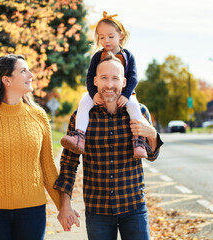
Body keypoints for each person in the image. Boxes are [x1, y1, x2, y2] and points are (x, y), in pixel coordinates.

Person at [54, 52, 163, 240]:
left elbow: (152, 155)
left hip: (134, 208)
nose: (110, 84)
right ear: (95, 81)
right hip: (98, 211)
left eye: (115, 78)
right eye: (104, 78)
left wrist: (152, 133)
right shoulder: (81, 117)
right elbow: (68, 163)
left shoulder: (139, 112)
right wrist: (65, 205)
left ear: (124, 82)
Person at [0, 54, 62, 240]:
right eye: (23, 71)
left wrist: (63, 207)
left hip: (33, 210)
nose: (31, 75)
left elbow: (48, 168)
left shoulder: (38, 116)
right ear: (6, 79)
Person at [60, 11, 147, 158]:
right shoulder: (97, 57)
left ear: (120, 35)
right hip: (100, 92)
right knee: (83, 103)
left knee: (134, 106)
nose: (106, 40)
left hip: (124, 93)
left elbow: (133, 77)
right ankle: (79, 137)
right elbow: (90, 78)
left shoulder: (127, 56)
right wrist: (93, 95)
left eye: (111, 36)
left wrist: (126, 95)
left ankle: (139, 141)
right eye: (102, 37)